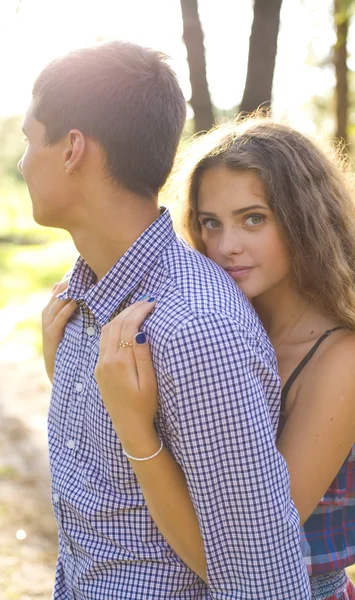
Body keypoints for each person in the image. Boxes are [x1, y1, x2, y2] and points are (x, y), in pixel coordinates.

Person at [44, 115, 355, 600]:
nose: (226, 247)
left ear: (305, 221)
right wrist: (65, 363)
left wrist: (136, 430)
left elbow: (241, 560)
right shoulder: (225, 323)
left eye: (254, 219)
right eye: (211, 223)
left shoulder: (345, 359)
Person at [19, 44, 311, 599]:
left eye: (31, 141)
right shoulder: (81, 302)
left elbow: (262, 580)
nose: (22, 162)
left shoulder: (195, 327)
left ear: (72, 150)